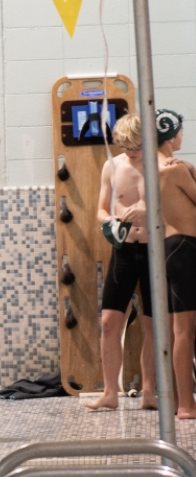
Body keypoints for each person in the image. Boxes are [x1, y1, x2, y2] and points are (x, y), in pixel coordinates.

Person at [85, 113, 156, 411]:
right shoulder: (112, 166)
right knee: (109, 322)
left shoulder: (160, 168)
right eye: (126, 146)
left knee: (153, 326)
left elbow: (177, 212)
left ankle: (151, 392)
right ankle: (110, 392)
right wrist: (111, 221)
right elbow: (100, 209)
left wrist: (148, 214)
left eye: (136, 145)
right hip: (124, 252)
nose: (131, 151)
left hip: (155, 251)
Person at [158, 110, 196, 419]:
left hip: (171, 249)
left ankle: (177, 400)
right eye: (181, 131)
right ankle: (186, 404)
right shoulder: (174, 171)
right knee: (184, 332)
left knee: (176, 331)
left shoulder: (154, 168)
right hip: (187, 248)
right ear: (171, 135)